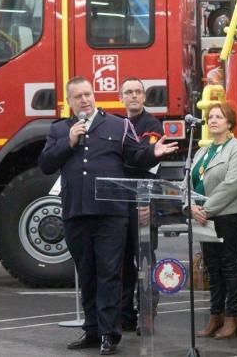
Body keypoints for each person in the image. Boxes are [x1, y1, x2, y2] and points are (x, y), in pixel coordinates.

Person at [39, 76, 177, 355]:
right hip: (76, 212)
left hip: (110, 215)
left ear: (95, 95)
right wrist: (69, 141)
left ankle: (109, 334)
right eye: (78, 96)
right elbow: (45, 164)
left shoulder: (118, 124)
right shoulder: (59, 130)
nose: (85, 100)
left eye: (88, 94)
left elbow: (136, 156)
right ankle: (91, 330)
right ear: (70, 101)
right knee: (87, 274)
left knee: (109, 273)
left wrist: (154, 152)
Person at [190, 102, 237, 340]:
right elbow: (189, 182)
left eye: (219, 117)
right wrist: (191, 207)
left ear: (229, 123)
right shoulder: (201, 151)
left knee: (229, 265)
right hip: (202, 216)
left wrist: (206, 208)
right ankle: (216, 315)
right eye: (210, 117)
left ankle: (233, 316)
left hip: (226, 216)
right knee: (212, 268)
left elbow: (232, 185)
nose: (213, 120)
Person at [118, 77, 164, 333]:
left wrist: (145, 201)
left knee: (145, 262)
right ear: (120, 97)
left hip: (142, 202)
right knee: (122, 263)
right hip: (119, 204)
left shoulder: (152, 124)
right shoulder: (117, 124)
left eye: (138, 92)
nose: (133, 96)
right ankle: (124, 315)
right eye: (128, 92)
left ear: (144, 97)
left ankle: (147, 315)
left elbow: (146, 163)